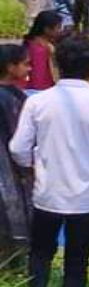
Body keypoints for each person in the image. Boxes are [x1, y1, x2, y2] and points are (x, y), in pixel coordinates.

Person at [9, 36, 89, 287]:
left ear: (57, 65)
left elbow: (18, 148)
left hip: (47, 192)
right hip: (86, 196)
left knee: (40, 254)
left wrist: (33, 166)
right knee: (76, 262)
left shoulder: (38, 101)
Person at [0, 45, 32, 263]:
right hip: (8, 165)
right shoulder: (12, 98)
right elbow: (19, 138)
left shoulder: (16, 96)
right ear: (11, 67)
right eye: (26, 63)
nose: (29, 68)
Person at [23, 10, 62, 92]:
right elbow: (39, 78)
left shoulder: (42, 43)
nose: (60, 31)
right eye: (58, 27)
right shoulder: (39, 49)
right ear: (46, 29)